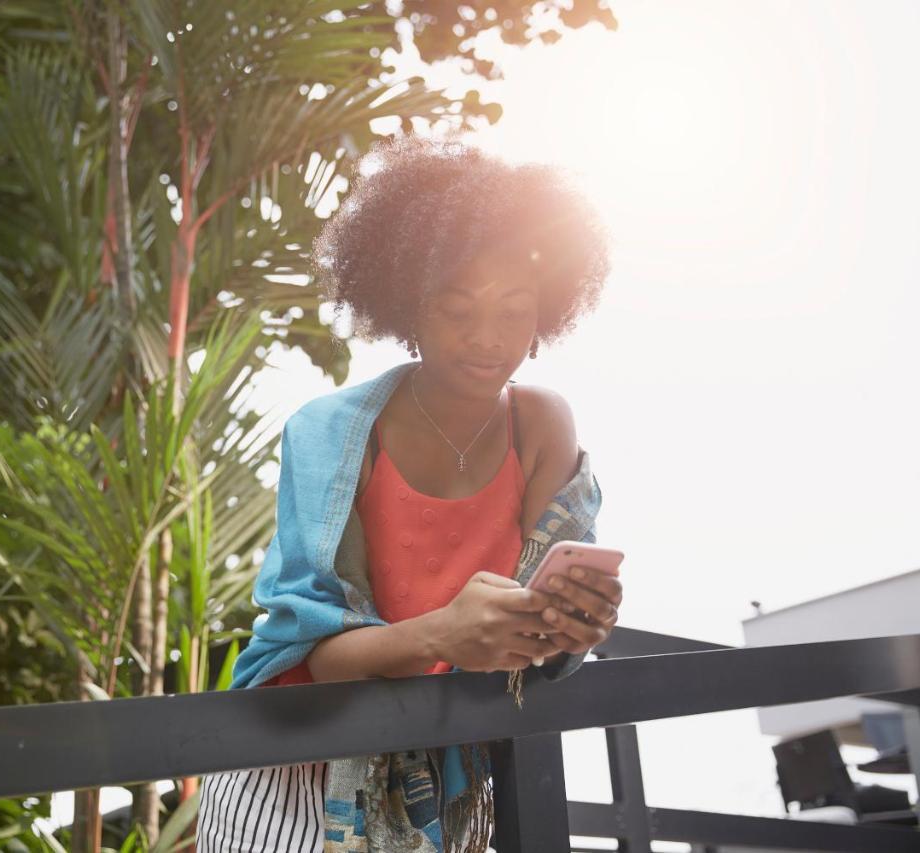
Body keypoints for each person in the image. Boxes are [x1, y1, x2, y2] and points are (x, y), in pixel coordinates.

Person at [196, 133, 624, 852]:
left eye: (514, 311)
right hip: (295, 769)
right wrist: (441, 634)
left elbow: (538, 640)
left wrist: (576, 620)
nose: (487, 338)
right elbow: (313, 651)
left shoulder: (542, 425)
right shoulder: (332, 433)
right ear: (408, 304)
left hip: (444, 777)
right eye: (457, 309)